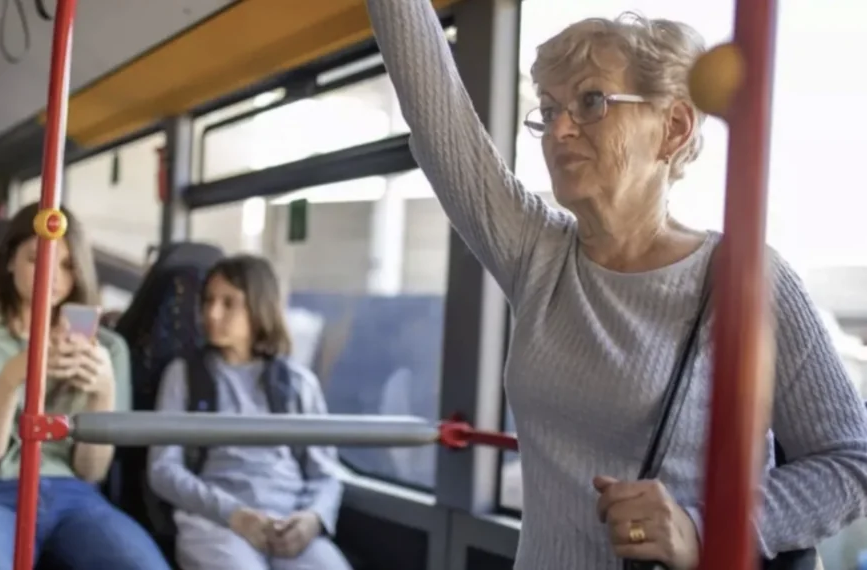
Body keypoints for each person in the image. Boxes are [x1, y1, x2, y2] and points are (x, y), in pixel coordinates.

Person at [363, 1, 867, 569]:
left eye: (591, 101)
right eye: (548, 109)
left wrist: (698, 528)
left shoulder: (747, 280)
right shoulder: (539, 255)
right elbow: (439, 118)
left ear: (673, 127)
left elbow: (850, 460)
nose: (559, 127)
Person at [148, 254, 352, 570]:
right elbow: (163, 469)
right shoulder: (185, 376)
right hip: (215, 523)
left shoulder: (298, 383)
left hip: (289, 524)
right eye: (209, 301)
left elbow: (326, 472)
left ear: (259, 308)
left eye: (229, 303)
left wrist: (312, 519)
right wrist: (234, 514)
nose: (212, 314)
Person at [0, 203, 170, 570]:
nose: (52, 276)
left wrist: (102, 391)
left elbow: (92, 471)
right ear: (10, 260)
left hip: (74, 495)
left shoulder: (107, 349)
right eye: (36, 259)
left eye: (67, 266)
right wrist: (13, 377)